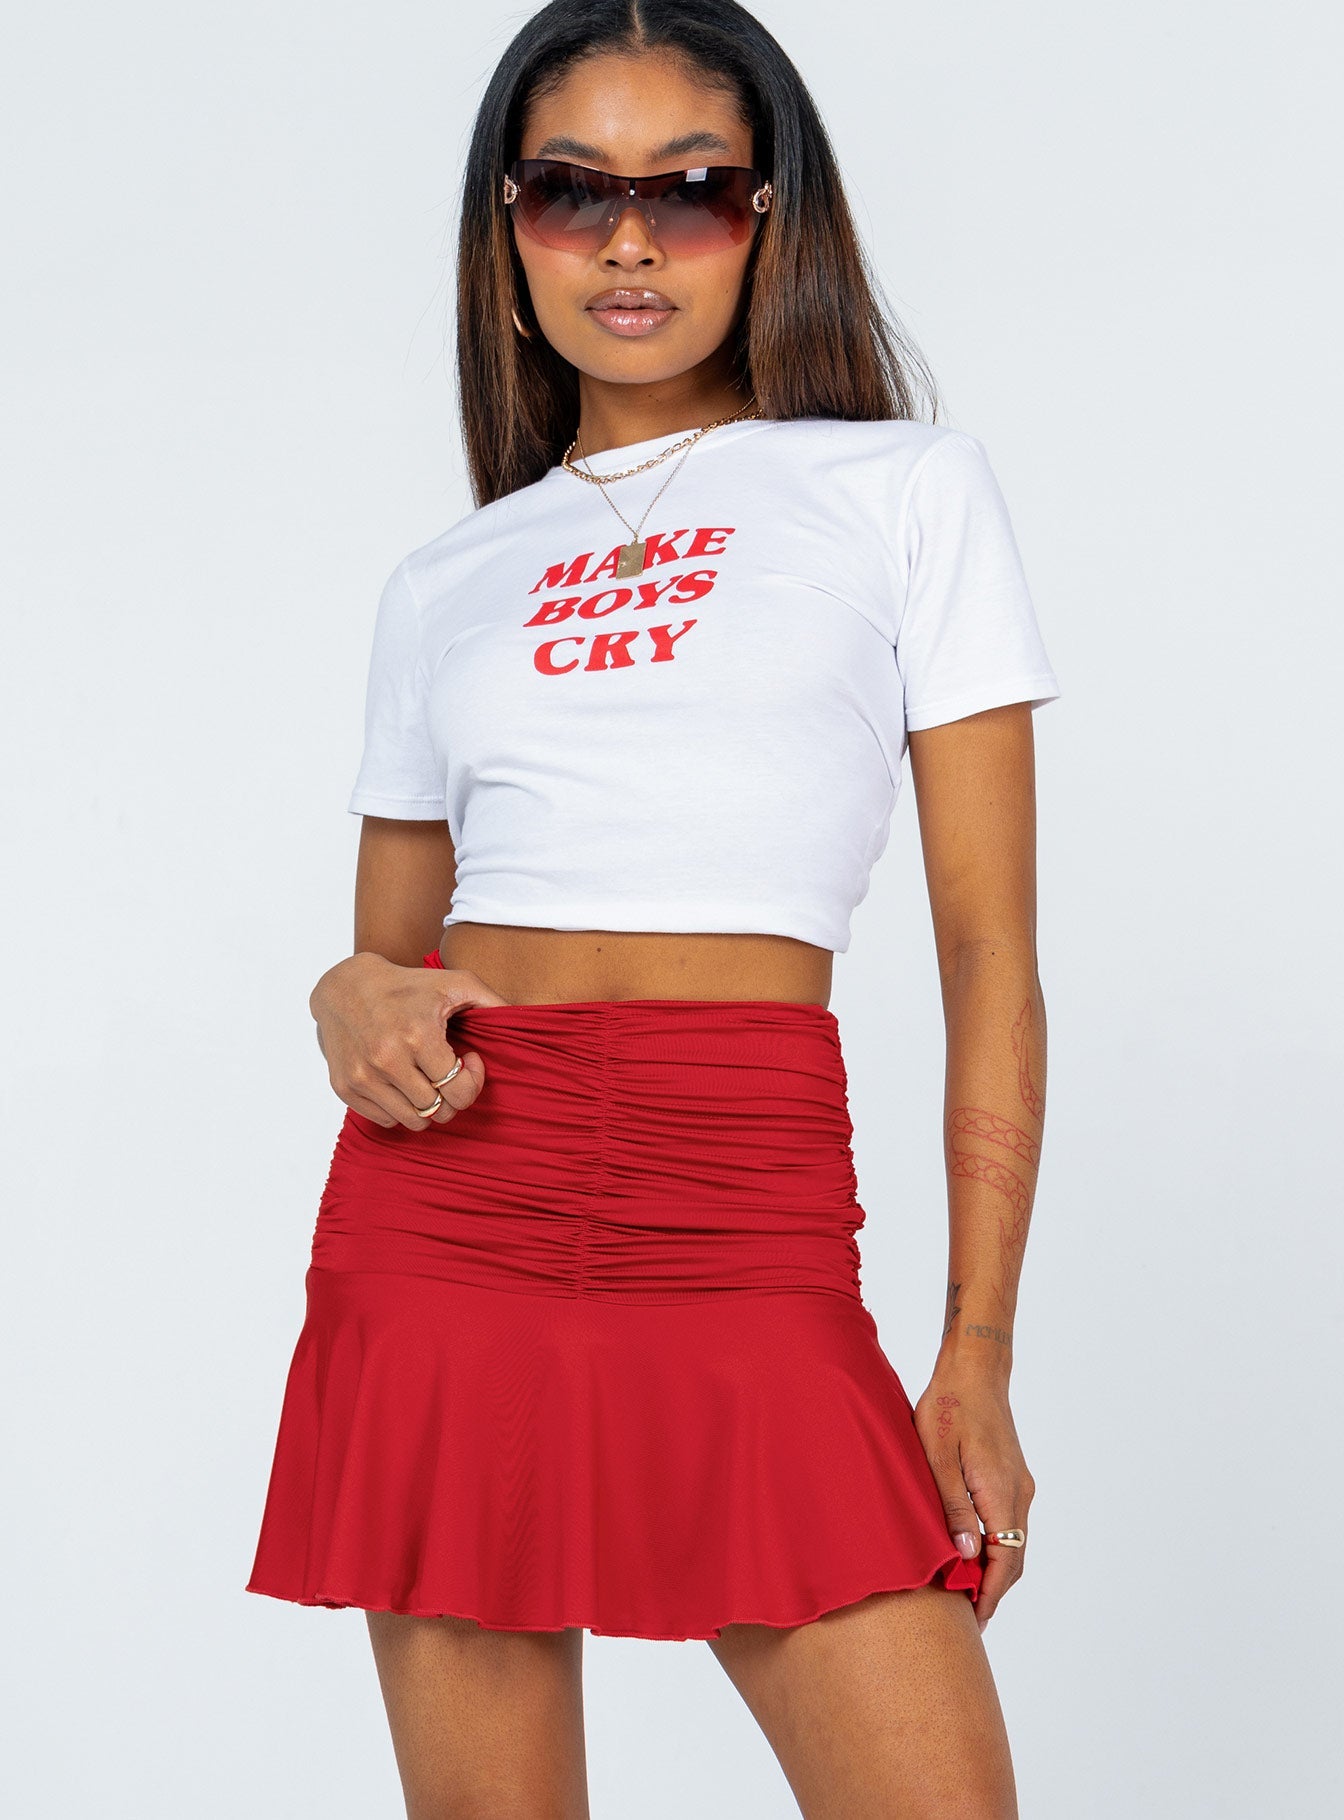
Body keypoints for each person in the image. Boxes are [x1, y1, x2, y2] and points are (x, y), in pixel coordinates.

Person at [245, 3, 1061, 1814]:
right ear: (509, 227)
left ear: (770, 216)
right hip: (450, 1205)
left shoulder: (904, 491)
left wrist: (976, 1348)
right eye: (572, 191)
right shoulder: (447, 577)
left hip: (742, 1191)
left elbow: (989, 954)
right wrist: (340, 996)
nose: (630, 242)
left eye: (690, 190)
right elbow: (388, 959)